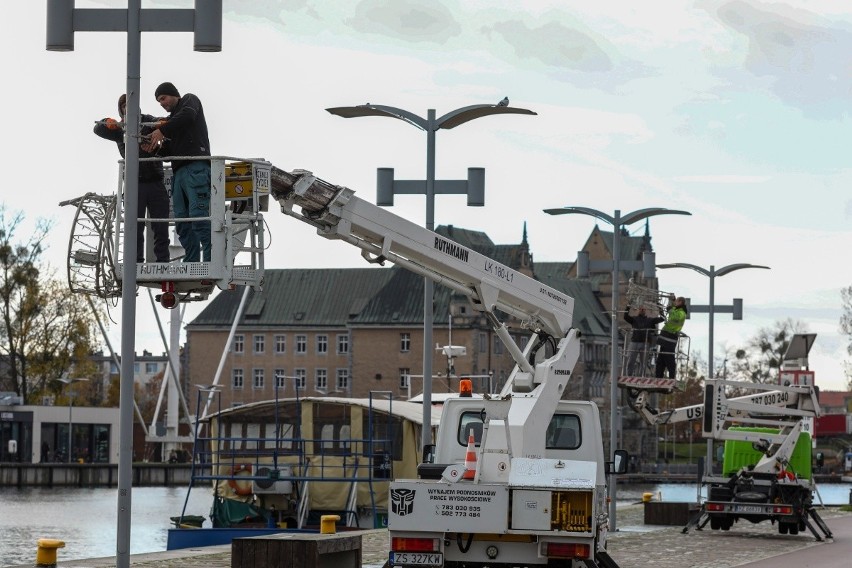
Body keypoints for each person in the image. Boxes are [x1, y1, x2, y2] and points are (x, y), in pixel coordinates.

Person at [94, 94, 171, 263]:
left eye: (130, 105)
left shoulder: (148, 121)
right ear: (121, 110)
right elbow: (97, 129)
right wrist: (108, 121)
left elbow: (164, 122)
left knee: (160, 225)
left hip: (155, 180)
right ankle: (135, 262)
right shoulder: (120, 128)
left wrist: (162, 125)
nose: (128, 108)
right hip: (133, 183)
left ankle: (163, 261)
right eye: (124, 106)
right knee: (134, 226)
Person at [143, 82, 211, 262]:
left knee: (199, 218)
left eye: (163, 98)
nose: (162, 103)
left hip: (196, 167)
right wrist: (155, 149)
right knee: (182, 223)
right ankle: (192, 262)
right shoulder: (172, 121)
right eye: (158, 102)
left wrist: (161, 130)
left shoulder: (189, 100)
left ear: (174, 94)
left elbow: (187, 116)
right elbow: (170, 151)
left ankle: (212, 260)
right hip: (179, 172)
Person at [624, 305, 664, 376]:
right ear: (638, 310)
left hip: (645, 343)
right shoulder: (634, 319)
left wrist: (660, 309)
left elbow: (662, 319)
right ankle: (628, 376)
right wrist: (628, 307)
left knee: (643, 363)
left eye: (643, 309)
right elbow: (625, 317)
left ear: (645, 310)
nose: (642, 310)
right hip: (634, 342)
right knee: (630, 361)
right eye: (640, 309)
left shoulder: (650, 320)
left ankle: (641, 377)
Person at [655, 295, 687, 379]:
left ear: (680, 302)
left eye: (676, 301)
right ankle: (658, 377)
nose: (675, 303)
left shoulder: (682, 312)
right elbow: (672, 311)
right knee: (660, 360)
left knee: (669, 359)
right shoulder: (676, 310)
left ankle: (672, 377)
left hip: (670, 338)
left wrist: (670, 309)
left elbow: (675, 316)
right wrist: (672, 302)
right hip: (665, 337)